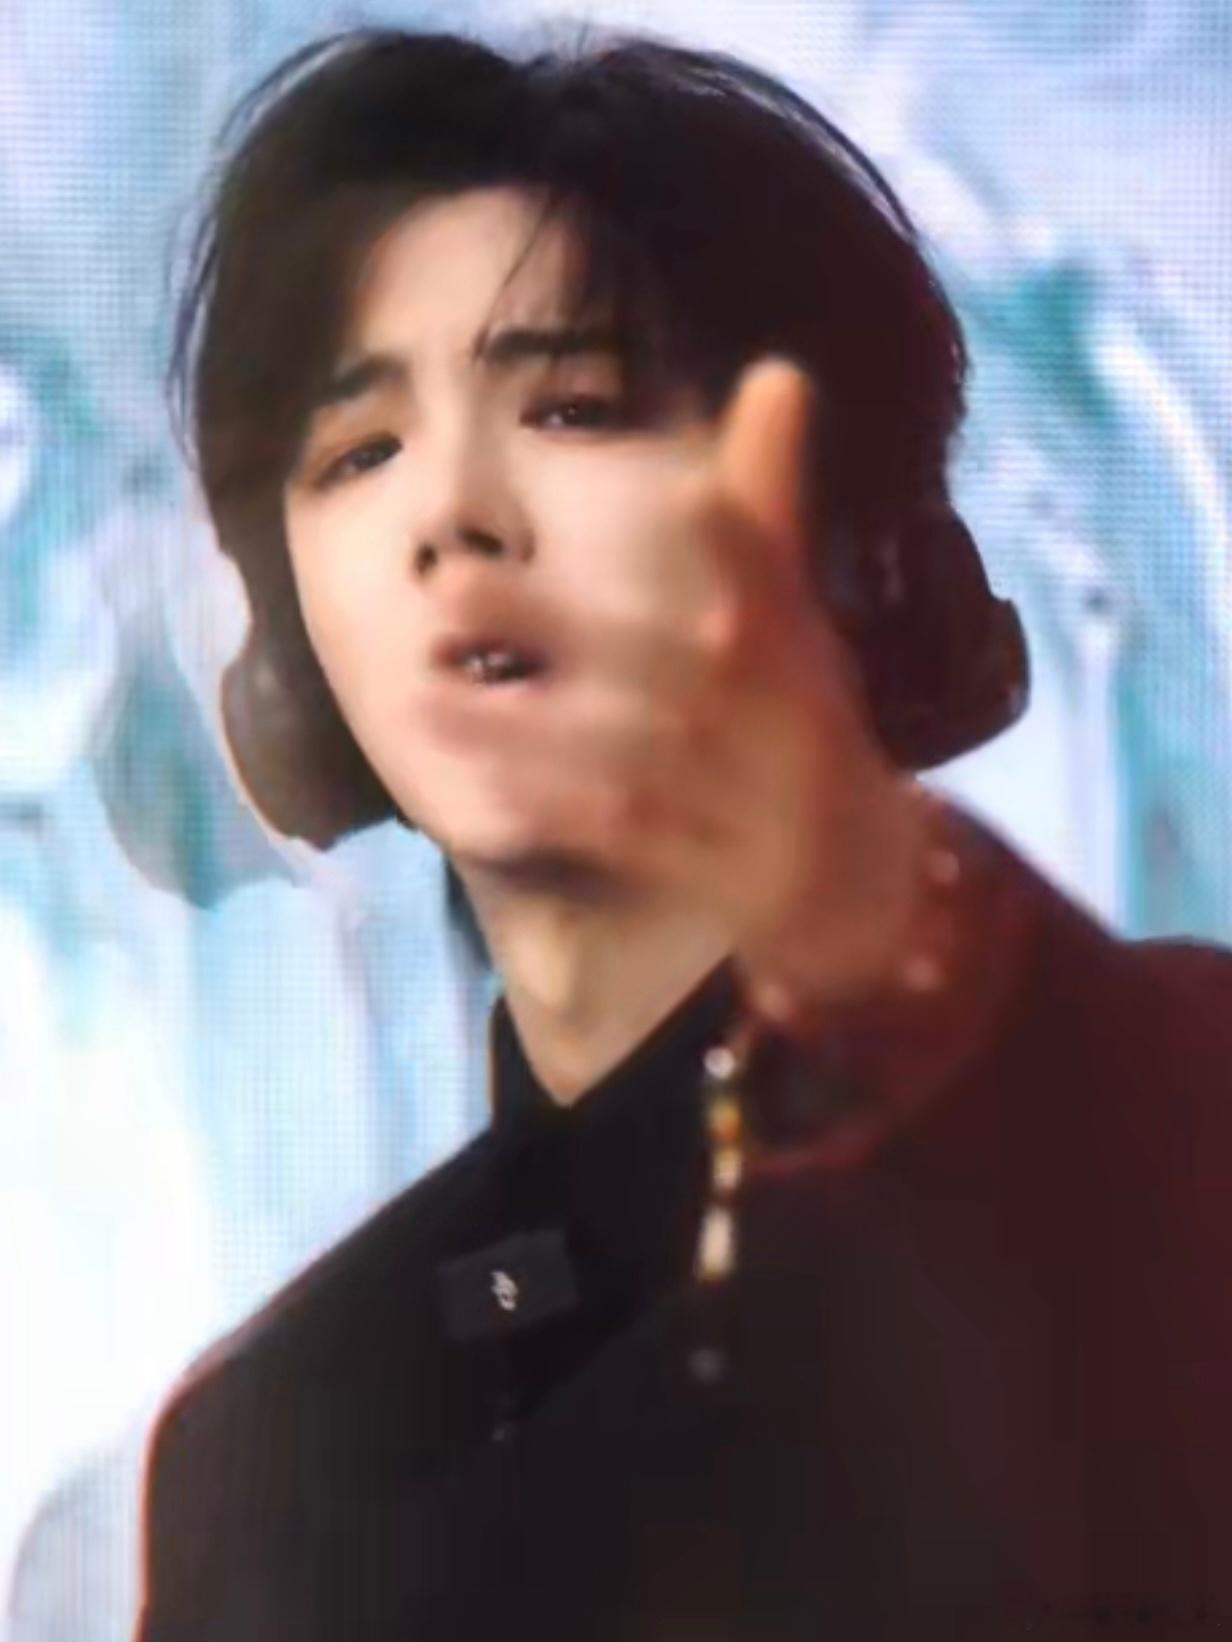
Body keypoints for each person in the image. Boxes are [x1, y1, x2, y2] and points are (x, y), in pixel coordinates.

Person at [135, 26, 1232, 1641]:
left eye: (572, 406)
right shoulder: (265, 1447)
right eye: (358, 450)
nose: (451, 513)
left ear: (850, 541)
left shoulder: (1172, 1100)